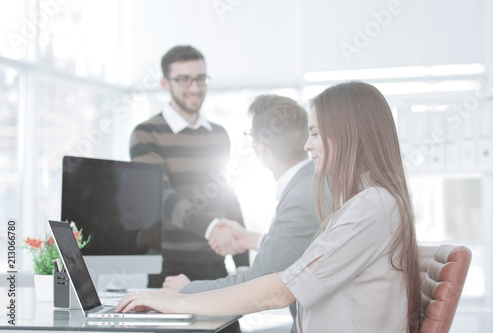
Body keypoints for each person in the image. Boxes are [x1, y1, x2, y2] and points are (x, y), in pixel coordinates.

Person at [118, 81, 422, 333]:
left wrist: (177, 300)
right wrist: (251, 239)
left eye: (315, 133)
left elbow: (279, 289)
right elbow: (312, 257)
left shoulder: (369, 207)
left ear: (347, 134)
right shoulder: (367, 202)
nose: (307, 145)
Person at [162, 94, 322, 332]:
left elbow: (258, 286)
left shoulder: (300, 198)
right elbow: (306, 248)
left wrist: (185, 290)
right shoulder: (311, 183)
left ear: (259, 144)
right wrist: (251, 239)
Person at [129, 45, 249, 288]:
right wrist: (211, 227)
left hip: (215, 263)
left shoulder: (218, 134)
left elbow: (225, 193)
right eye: (184, 80)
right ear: (165, 83)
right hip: (169, 267)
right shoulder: (146, 133)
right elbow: (160, 196)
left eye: (200, 78)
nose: (194, 88)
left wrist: (242, 259)